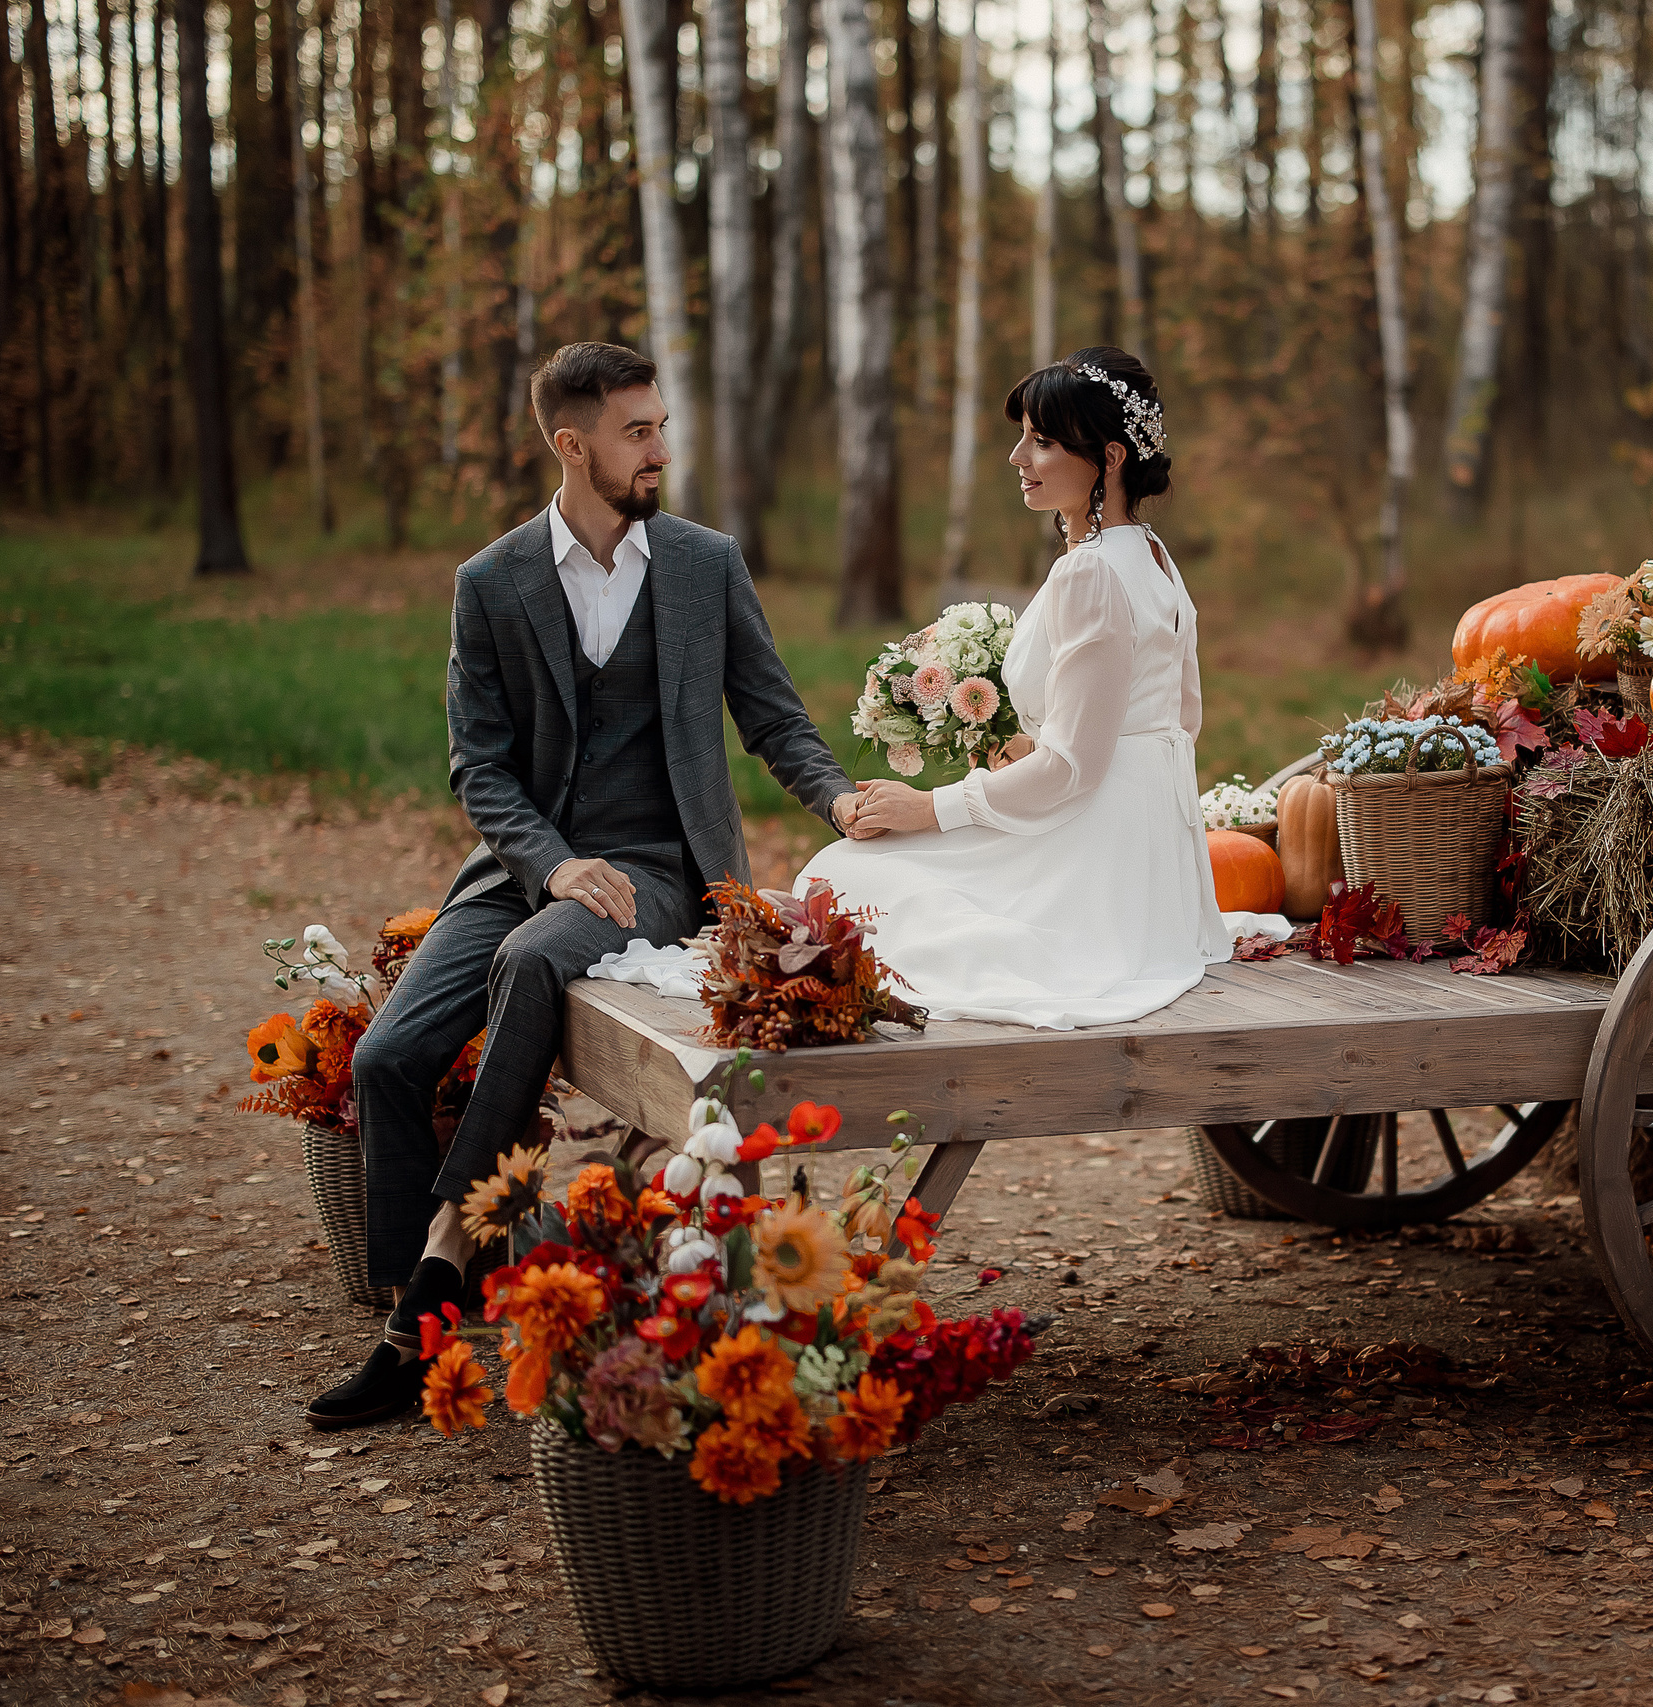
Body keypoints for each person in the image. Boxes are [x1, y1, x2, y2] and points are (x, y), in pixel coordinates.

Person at [307, 341, 855, 1430]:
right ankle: (460, 1284)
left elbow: (772, 715)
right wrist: (551, 862)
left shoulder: (704, 564)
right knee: (387, 1055)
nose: (659, 448)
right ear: (573, 445)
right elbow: (481, 765)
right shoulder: (493, 582)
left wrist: (839, 801)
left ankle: (427, 1307)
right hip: (527, 863)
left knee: (532, 960)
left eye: (659, 425)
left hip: (660, 868)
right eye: (636, 431)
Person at [795, 347, 1285, 1029]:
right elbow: (1175, 718)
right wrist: (1031, 744)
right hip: (1154, 856)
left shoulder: (1091, 574)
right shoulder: (1153, 556)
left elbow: (1074, 769)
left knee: (836, 878)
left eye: (1043, 440)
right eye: (1023, 435)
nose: (1017, 455)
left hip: (1092, 855)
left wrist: (931, 807)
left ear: (1110, 457)